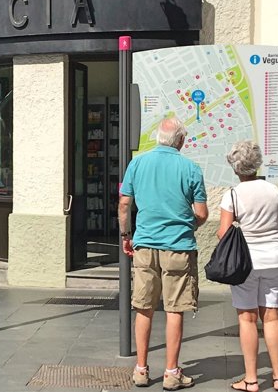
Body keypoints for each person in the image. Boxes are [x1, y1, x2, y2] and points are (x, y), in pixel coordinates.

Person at [118, 116, 208, 390]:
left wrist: (126, 235)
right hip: (178, 248)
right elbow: (202, 213)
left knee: (143, 308)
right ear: (181, 140)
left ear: (158, 137)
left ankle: (141, 370)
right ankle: (171, 372)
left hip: (144, 245)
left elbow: (124, 204)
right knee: (175, 309)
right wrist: (187, 224)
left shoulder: (138, 163)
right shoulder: (190, 168)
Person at [218, 141, 278, 392]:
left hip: (245, 263)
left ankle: (251, 380)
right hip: (275, 258)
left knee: (247, 318)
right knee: (272, 316)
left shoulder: (232, 195)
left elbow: (223, 232)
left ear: (236, 167)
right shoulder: (274, 191)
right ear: (257, 163)